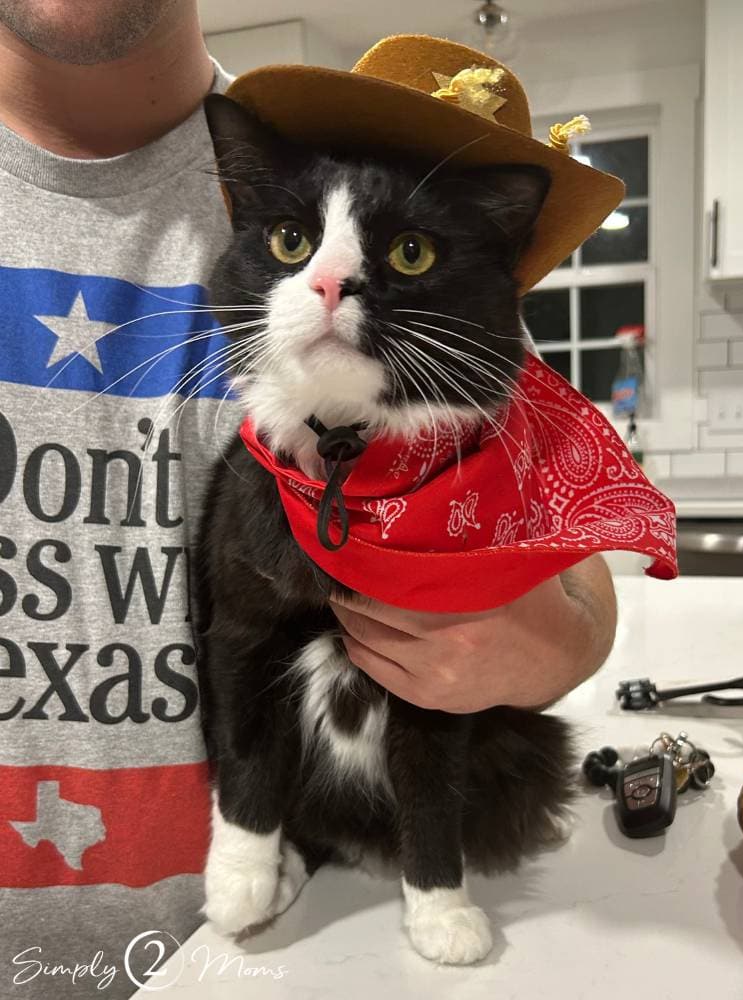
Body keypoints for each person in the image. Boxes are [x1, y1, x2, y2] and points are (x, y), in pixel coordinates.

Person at [0, 1, 617, 996]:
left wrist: (552, 640)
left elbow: (569, 586)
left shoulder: (347, 155)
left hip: (296, 947)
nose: (331, 286)